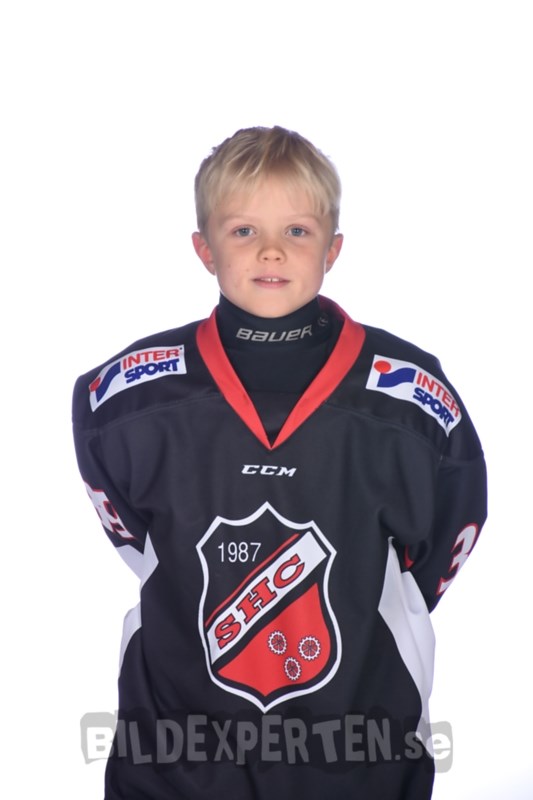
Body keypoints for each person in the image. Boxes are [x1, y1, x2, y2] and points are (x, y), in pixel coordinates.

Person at [72, 126, 487, 799]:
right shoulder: (130, 396)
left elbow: (446, 531)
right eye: (243, 231)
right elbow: (139, 538)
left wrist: (382, 608)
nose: (271, 250)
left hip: (356, 748)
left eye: (296, 230)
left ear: (333, 248)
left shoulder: (407, 396)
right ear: (204, 248)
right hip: (177, 753)